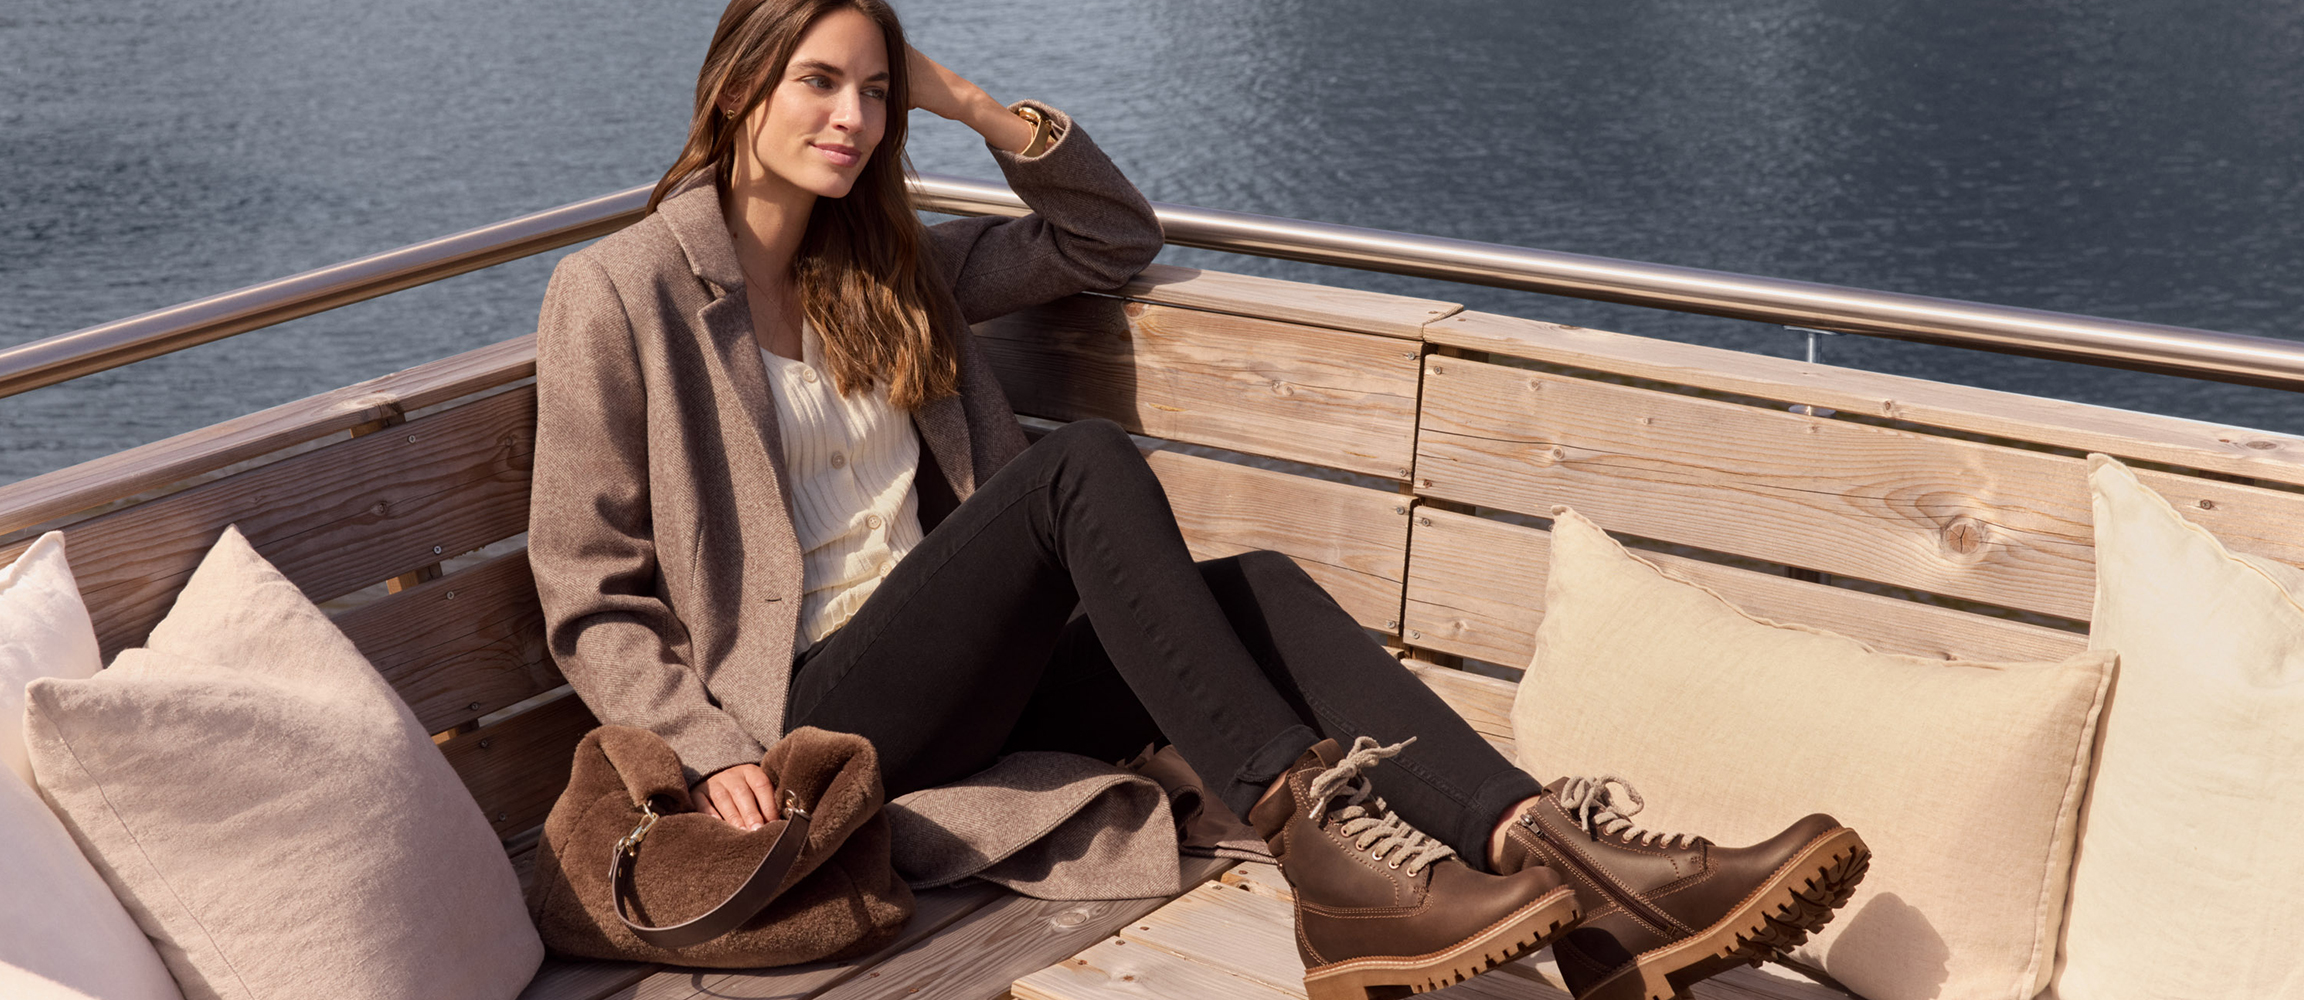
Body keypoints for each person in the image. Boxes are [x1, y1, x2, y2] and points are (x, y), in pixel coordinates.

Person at [527, 1, 1867, 997]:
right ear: (739, 86)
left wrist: (976, 104)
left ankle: (1575, 866)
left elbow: (1110, 236)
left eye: (878, 93)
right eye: (820, 83)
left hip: (966, 680)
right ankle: (1319, 852)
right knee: (1080, 466)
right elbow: (591, 590)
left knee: (1263, 589)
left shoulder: (888, 267)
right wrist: (709, 747)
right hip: (805, 723)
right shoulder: (622, 294)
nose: (855, 119)